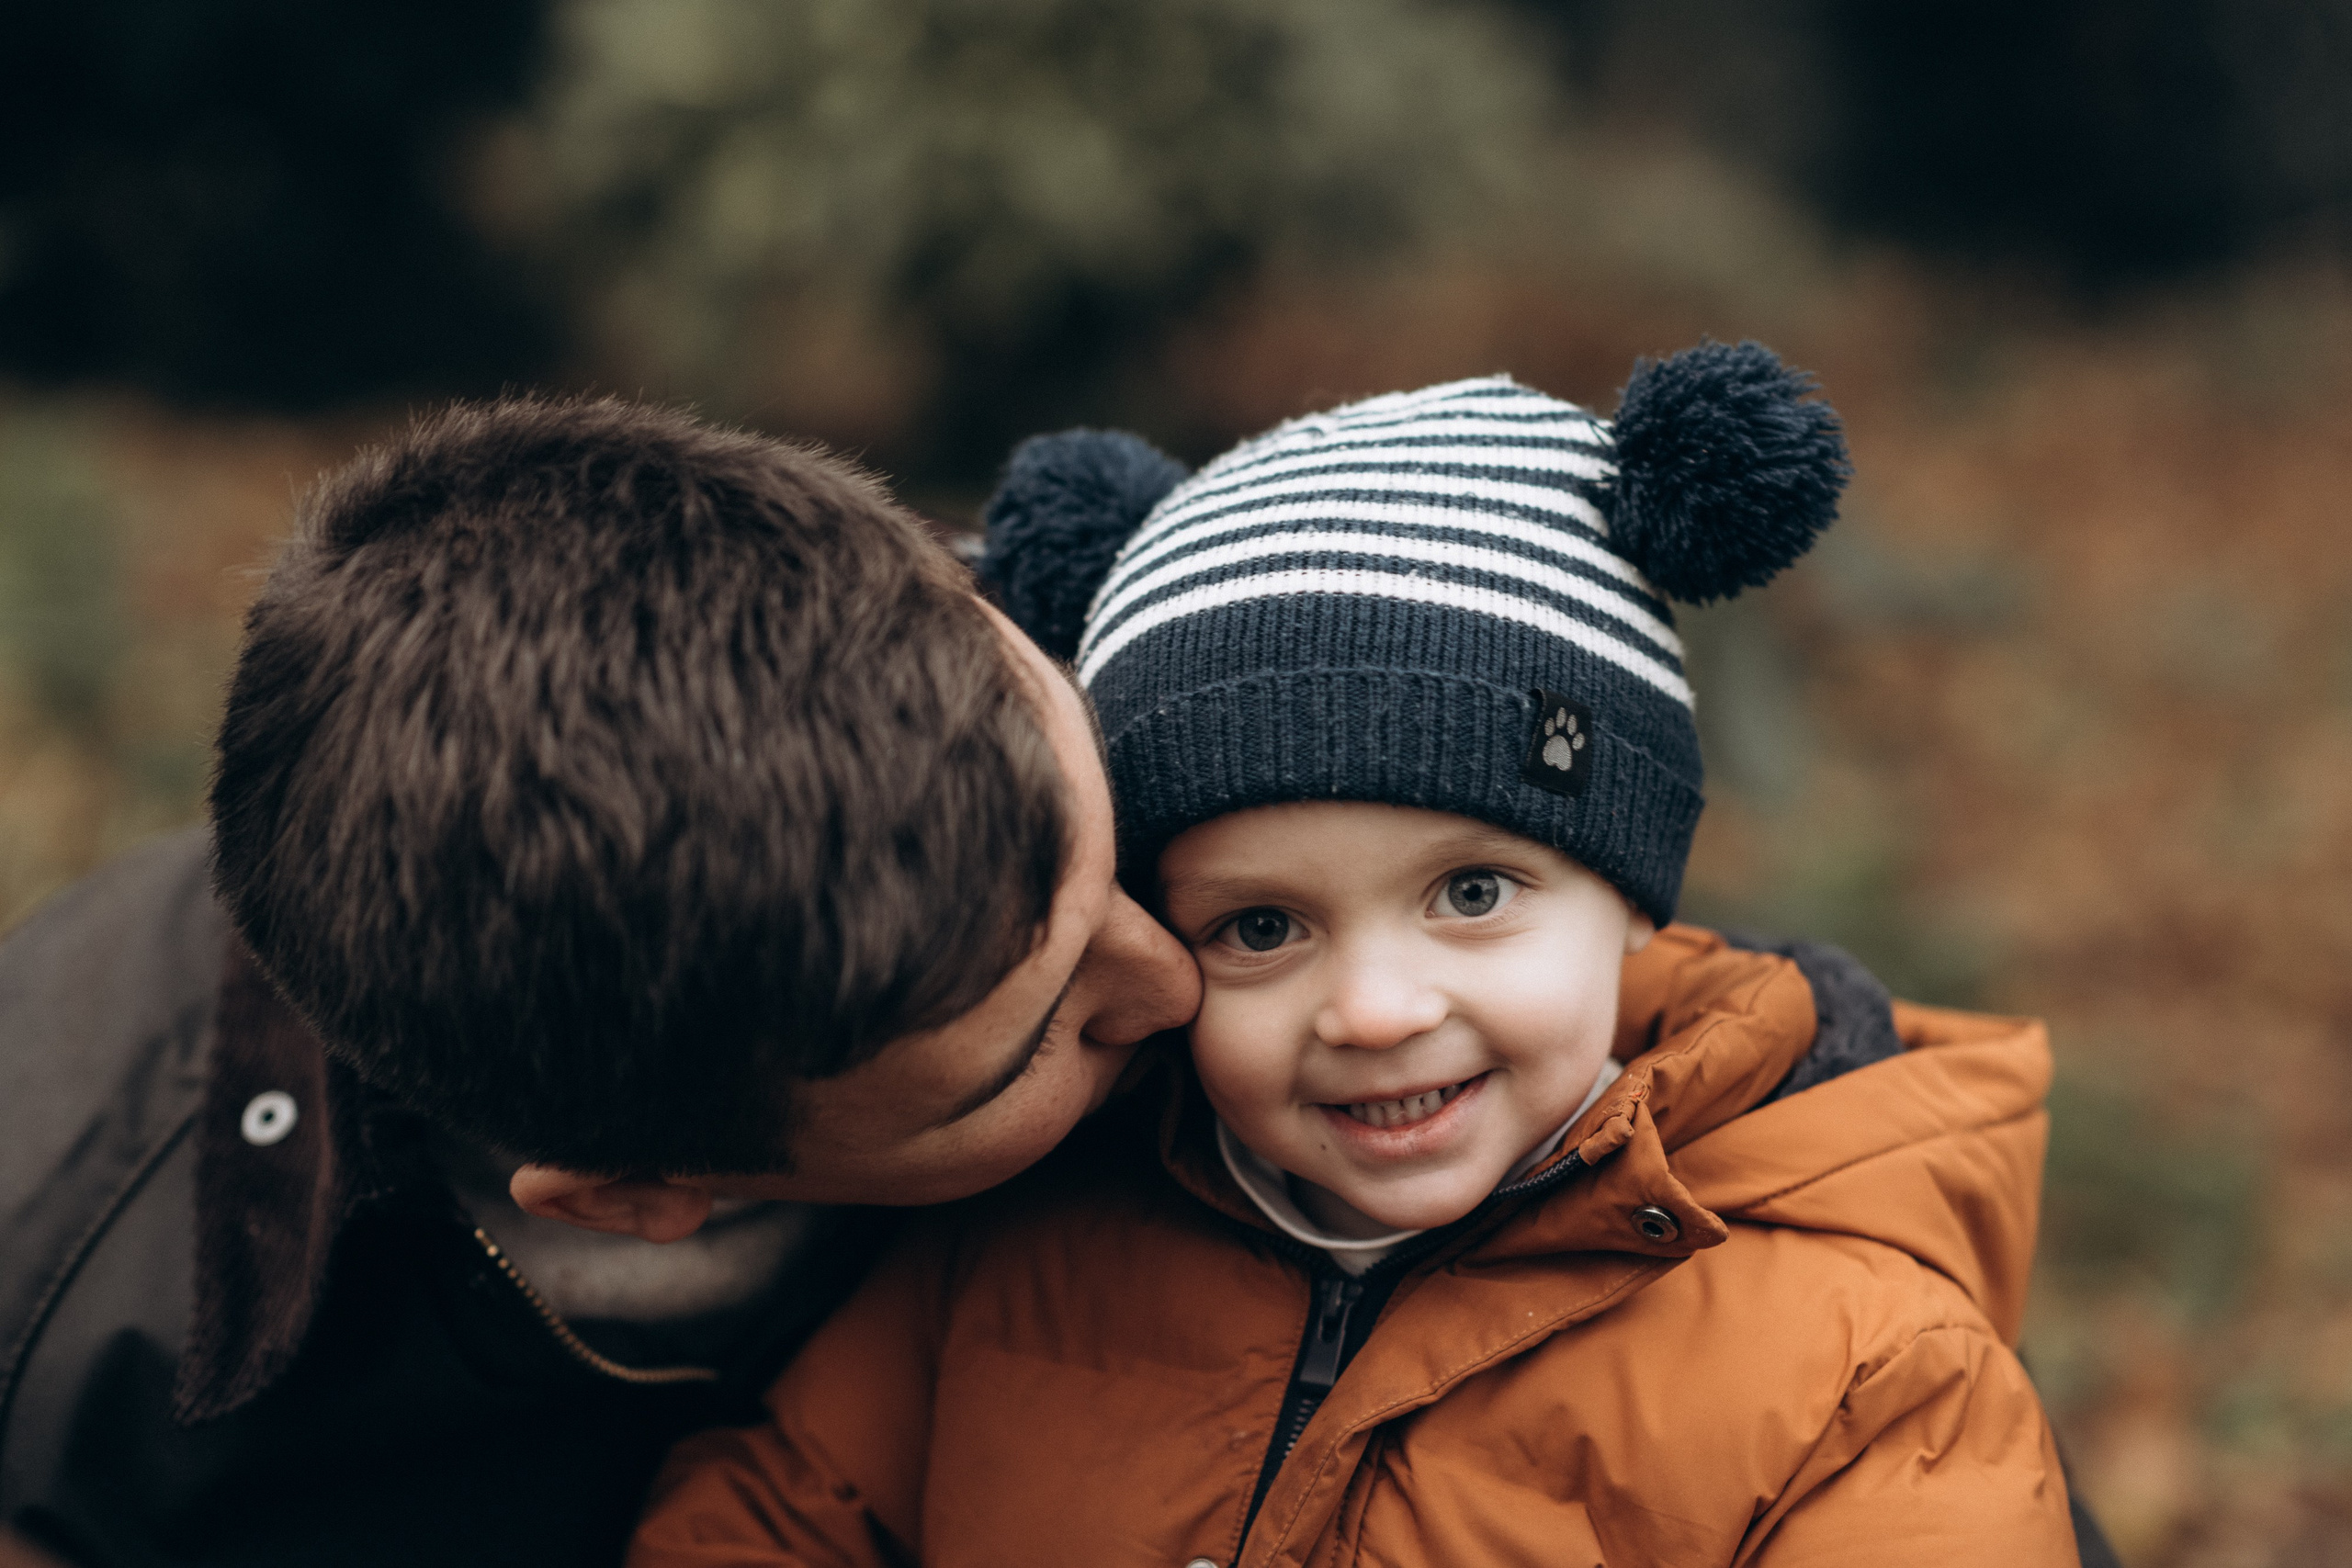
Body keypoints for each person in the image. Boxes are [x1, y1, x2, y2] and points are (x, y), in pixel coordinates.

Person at [626, 346, 2088, 1564]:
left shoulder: (1861, 1372)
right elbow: (778, 1511)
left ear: (1634, 894)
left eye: (1472, 893)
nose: (1377, 1011)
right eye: (1262, 928)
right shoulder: (1031, 1246)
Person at [0, 397, 1198, 1566]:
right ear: (633, 1199)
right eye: (1037, 1042)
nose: (1176, 984)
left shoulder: (1066, 631)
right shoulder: (68, 1349)